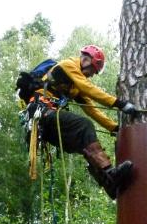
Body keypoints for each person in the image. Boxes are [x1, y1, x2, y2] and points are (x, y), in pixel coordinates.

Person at [28, 44, 138, 200]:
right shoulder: (67, 66)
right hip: (42, 113)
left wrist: (113, 127)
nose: (92, 75)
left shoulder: (75, 85)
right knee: (83, 125)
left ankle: (108, 183)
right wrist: (120, 104)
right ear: (86, 60)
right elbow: (89, 89)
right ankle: (109, 173)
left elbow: (91, 109)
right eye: (93, 70)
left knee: (85, 141)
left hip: (48, 122)